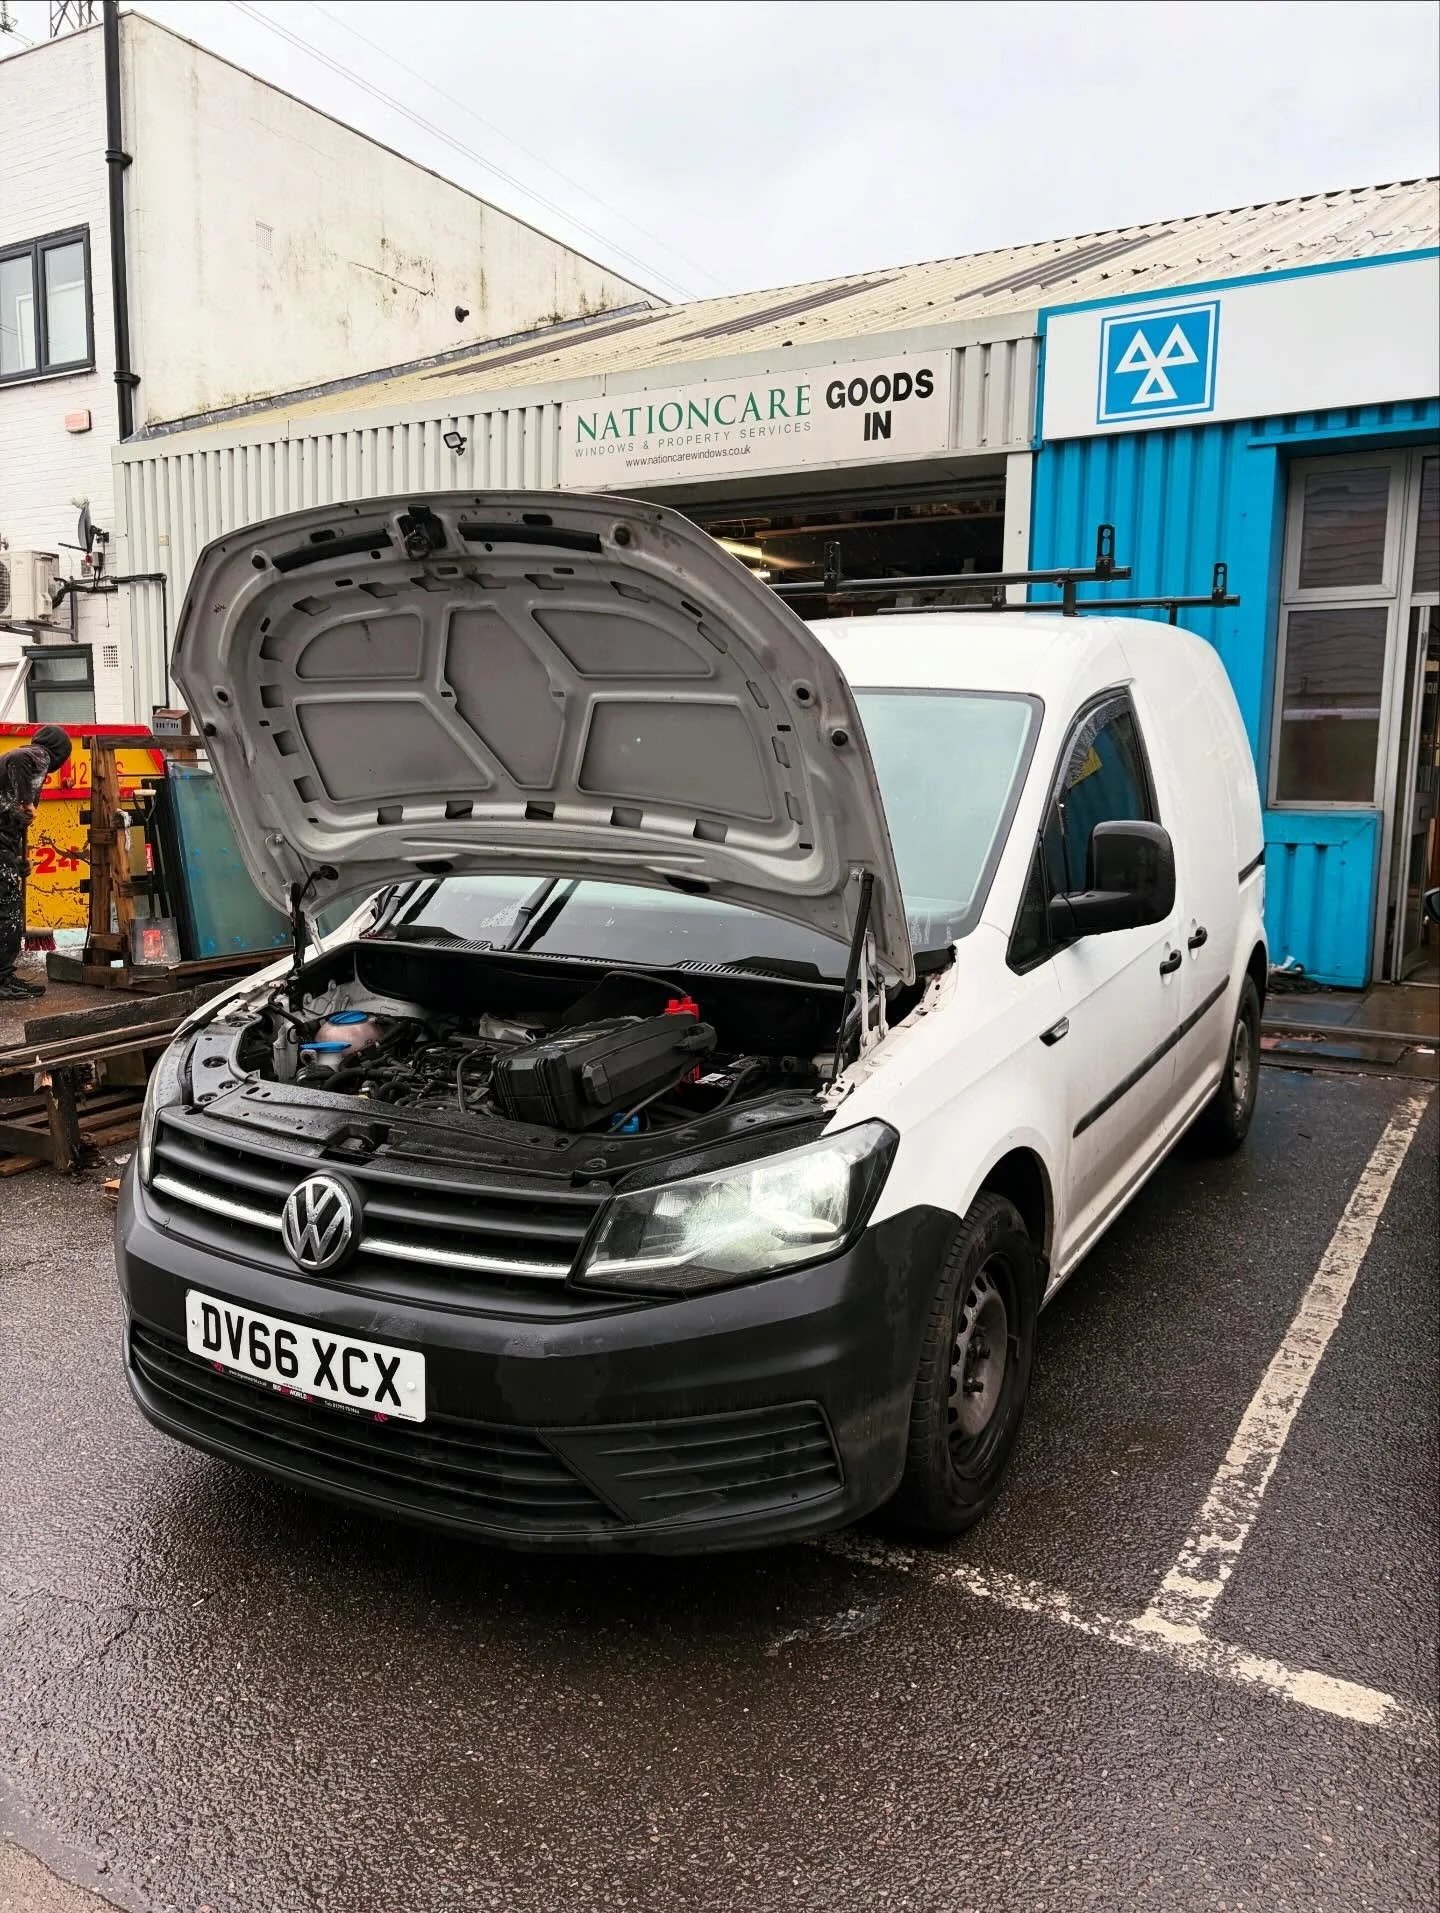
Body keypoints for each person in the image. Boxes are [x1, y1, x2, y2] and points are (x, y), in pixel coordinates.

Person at [0, 725, 73, 1000]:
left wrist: (18, 857)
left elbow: (10, 822)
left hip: (4, 845)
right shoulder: (37, 756)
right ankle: (1, 980)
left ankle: (4, 976)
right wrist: (25, 803)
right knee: (8, 913)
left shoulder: (28, 768)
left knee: (6, 908)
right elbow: (18, 759)